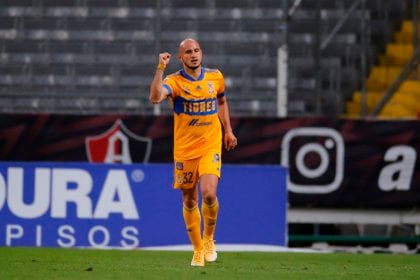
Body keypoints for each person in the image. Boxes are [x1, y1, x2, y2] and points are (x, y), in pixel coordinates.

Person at [149, 38, 237, 267]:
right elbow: (155, 97)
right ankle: (197, 249)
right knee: (190, 199)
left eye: (196, 50)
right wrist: (160, 68)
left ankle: (208, 239)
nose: (194, 55)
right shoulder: (175, 82)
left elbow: (222, 102)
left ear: (202, 53)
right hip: (185, 151)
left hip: (210, 144)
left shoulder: (215, 77)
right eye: (188, 52)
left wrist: (228, 130)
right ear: (181, 57)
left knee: (209, 193)